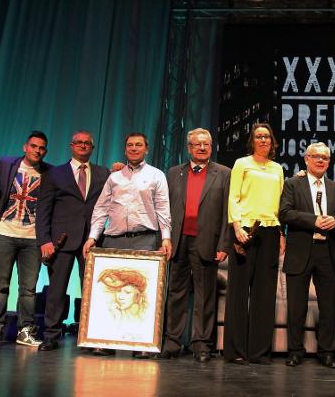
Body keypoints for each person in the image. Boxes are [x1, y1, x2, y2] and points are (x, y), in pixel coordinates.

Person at [82, 132, 171, 358]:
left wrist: (166, 237)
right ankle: (103, 340)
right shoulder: (114, 178)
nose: (134, 148)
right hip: (114, 238)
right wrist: (93, 237)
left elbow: (163, 208)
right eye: (130, 145)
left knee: (143, 293)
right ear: (125, 149)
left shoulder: (156, 175)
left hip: (146, 238)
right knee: (111, 292)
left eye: (138, 145)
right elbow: (101, 209)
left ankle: (142, 343)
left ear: (146, 149)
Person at [162, 128, 232, 363]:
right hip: (178, 241)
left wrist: (224, 243)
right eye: (197, 144)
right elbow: (164, 209)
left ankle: (201, 343)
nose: (202, 148)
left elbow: (227, 213)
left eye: (207, 144)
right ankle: (172, 341)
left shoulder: (224, 174)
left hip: (208, 242)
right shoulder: (173, 173)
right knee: (175, 292)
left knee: (205, 295)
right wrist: (166, 238)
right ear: (189, 147)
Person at [36, 130, 110, 351]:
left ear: (92, 148)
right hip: (62, 240)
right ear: (71, 145)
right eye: (78, 142)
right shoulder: (55, 174)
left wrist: (119, 169)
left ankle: (91, 336)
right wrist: (44, 240)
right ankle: (51, 334)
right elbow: (43, 210)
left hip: (91, 242)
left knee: (92, 291)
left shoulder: (103, 173)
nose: (83, 145)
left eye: (87, 143)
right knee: (57, 289)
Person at [279, 142, 335, 368]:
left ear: (329, 162)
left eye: (325, 158)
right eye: (316, 156)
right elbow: (285, 213)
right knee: (296, 306)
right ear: (306, 159)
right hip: (301, 251)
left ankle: (327, 352)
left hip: (328, 253)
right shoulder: (292, 184)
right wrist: (314, 220)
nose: (320, 161)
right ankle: (295, 351)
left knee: (328, 306)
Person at [224, 123, 285, 365]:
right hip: (245, 230)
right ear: (252, 140)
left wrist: (281, 232)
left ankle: (260, 352)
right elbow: (233, 197)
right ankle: (236, 350)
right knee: (239, 293)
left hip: (270, 231)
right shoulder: (242, 164)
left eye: (267, 137)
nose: (263, 140)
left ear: (272, 142)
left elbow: (280, 202)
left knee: (264, 294)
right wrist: (237, 226)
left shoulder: (278, 169)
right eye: (259, 136)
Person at [0, 131, 51, 348]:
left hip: (32, 238)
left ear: (45, 151)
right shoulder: (6, 164)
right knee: (0, 285)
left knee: (28, 289)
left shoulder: (49, 172)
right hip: (3, 233)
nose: (37, 151)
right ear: (25, 147)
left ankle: (25, 331)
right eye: (33, 146)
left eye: (41, 148)